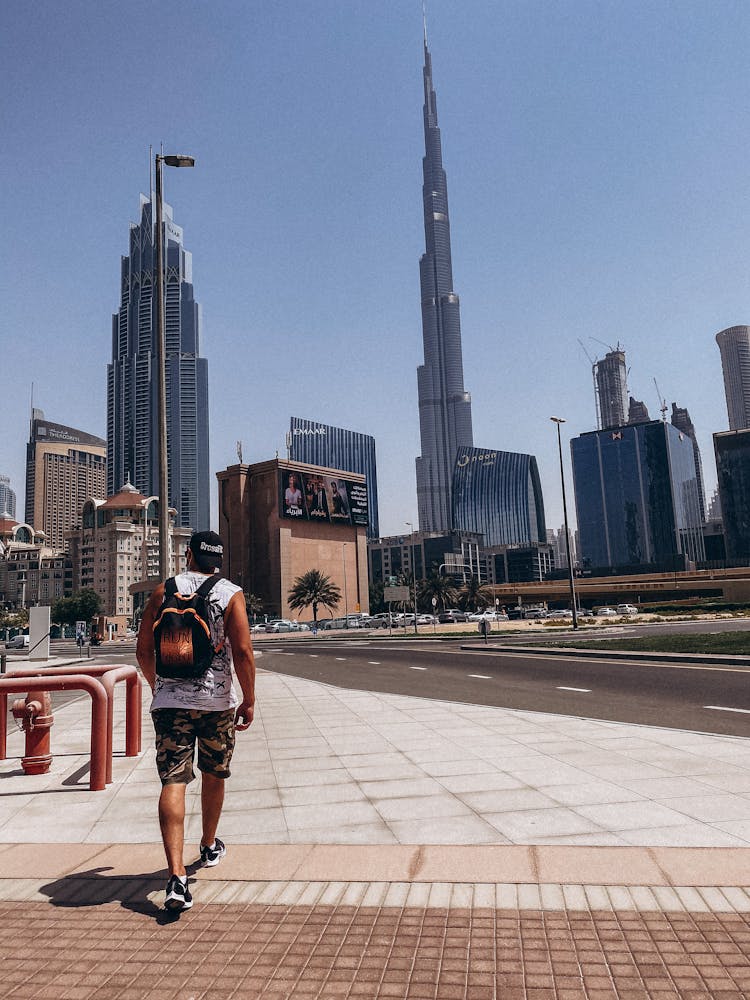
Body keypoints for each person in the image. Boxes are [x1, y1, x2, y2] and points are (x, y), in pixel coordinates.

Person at [136, 530, 256, 913]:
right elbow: (242, 651)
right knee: (214, 773)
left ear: (188, 555)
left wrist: (159, 686)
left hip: (170, 704)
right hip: (217, 703)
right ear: (218, 559)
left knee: (173, 780)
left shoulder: (163, 591)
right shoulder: (230, 593)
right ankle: (208, 845)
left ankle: (175, 876)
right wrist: (249, 699)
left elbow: (141, 650)